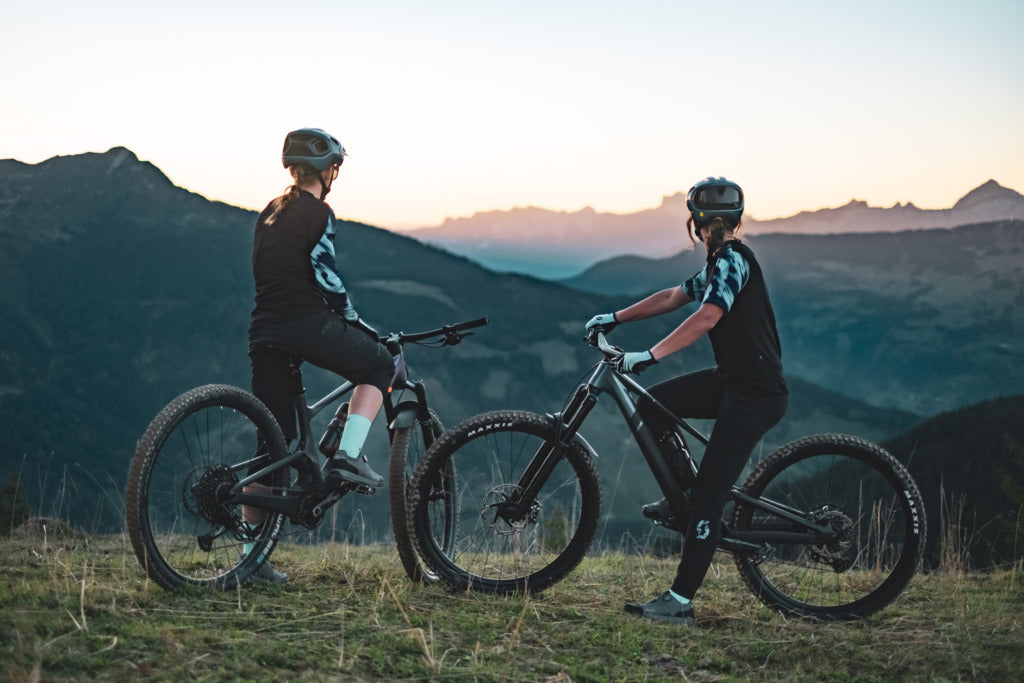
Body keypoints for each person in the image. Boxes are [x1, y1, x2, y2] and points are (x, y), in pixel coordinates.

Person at [586, 177, 788, 624]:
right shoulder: (720, 261)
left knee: (709, 503)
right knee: (653, 404)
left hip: (755, 394)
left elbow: (707, 316)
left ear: (696, 224)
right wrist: (616, 318)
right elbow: (674, 297)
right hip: (733, 381)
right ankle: (688, 493)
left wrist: (648, 355)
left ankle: (679, 602)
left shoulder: (733, 262)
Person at [242, 128, 395, 583]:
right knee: (378, 364)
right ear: (328, 171)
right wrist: (354, 320)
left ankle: (252, 558)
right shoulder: (318, 211)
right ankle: (348, 454)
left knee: (271, 447)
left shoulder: (269, 212)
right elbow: (324, 273)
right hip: (305, 323)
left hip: (263, 330)